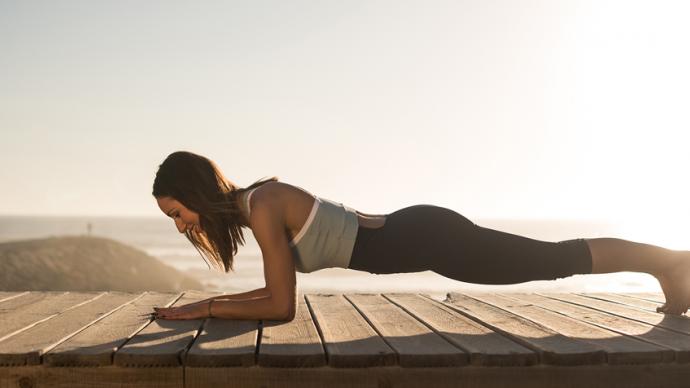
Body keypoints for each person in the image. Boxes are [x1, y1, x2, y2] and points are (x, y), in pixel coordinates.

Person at [151, 151, 689, 321]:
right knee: (551, 259)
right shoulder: (254, 208)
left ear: (194, 193)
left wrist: (201, 311)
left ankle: (670, 262)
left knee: (554, 259)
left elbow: (281, 308)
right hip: (424, 234)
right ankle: (672, 268)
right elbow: (275, 294)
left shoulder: (262, 205)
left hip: (432, 237)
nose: (181, 226)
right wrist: (208, 305)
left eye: (178, 213)